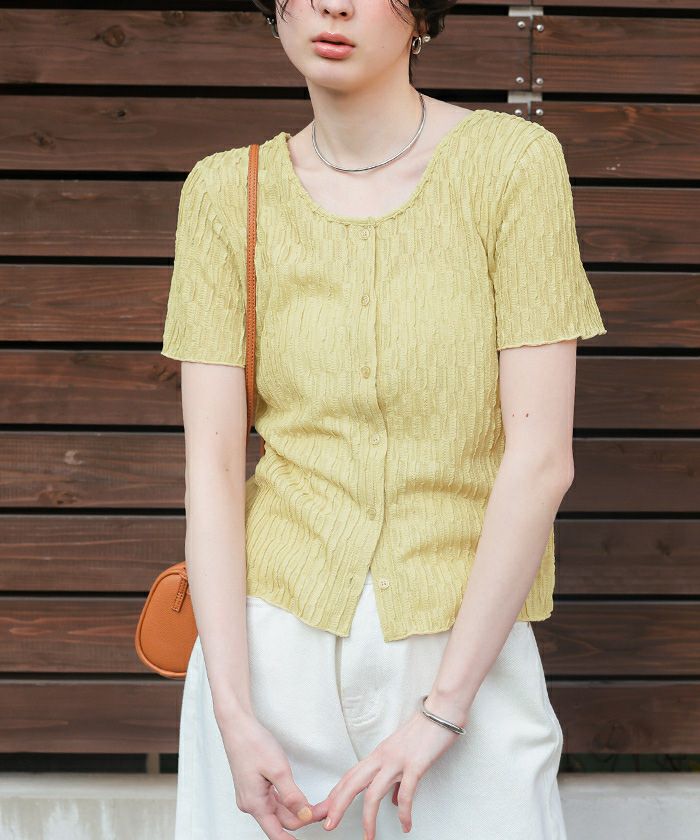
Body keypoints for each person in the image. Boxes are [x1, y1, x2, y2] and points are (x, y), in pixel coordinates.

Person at [161, 1, 607, 838]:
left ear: (421, 16)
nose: (334, 5)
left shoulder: (511, 166)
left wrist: (443, 710)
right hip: (266, 658)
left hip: (461, 658)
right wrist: (233, 714)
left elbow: (541, 459)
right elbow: (212, 471)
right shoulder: (225, 193)